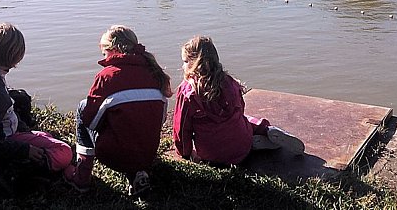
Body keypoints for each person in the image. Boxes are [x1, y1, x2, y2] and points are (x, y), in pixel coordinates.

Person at [0, 22, 72, 191]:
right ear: (16, 57)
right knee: (64, 151)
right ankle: (30, 170)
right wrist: (25, 150)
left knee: (43, 135)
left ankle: (36, 157)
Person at [64, 25, 171, 197]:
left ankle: (81, 177)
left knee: (83, 108)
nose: (103, 57)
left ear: (113, 50)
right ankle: (137, 174)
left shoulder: (107, 76)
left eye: (104, 53)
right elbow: (161, 119)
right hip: (149, 153)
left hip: (115, 156)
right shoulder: (154, 73)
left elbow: (90, 122)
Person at [173, 36, 305, 166]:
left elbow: (181, 128)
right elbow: (240, 109)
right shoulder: (229, 82)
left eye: (185, 61)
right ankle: (265, 130)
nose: (183, 66)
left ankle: (254, 140)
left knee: (214, 125)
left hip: (212, 155)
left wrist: (185, 153)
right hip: (242, 146)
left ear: (195, 63)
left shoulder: (186, 92)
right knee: (241, 119)